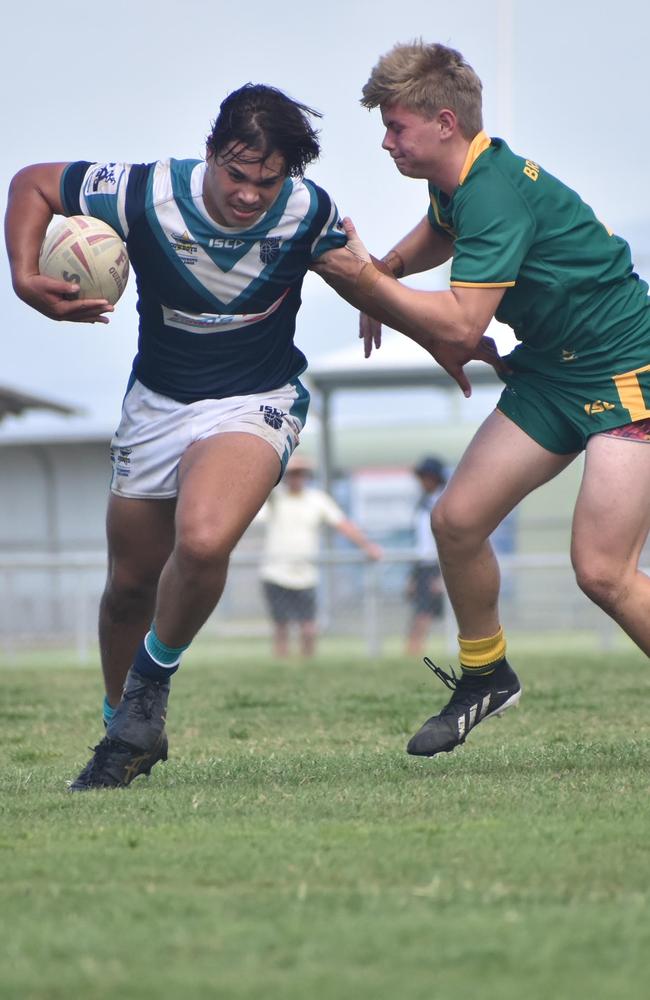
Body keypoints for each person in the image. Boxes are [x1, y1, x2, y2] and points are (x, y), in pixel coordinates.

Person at [4, 83, 373, 789]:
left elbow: (354, 261)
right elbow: (32, 185)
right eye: (237, 174)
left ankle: (147, 699)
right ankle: (126, 731)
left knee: (203, 540)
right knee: (128, 587)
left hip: (255, 400)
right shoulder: (144, 194)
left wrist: (385, 293)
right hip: (157, 405)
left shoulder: (305, 209)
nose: (249, 194)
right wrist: (25, 278)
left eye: (267, 181)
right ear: (211, 153)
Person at [313, 41, 650, 759]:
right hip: (555, 375)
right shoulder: (462, 179)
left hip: (626, 374)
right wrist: (390, 268)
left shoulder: (493, 192)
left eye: (396, 126)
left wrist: (366, 283)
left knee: (602, 571)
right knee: (458, 522)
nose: (385, 140)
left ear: (442, 121)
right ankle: (486, 676)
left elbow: (465, 325)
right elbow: (442, 226)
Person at [257, 452, 382, 658]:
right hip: (275, 572)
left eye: (301, 473)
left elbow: (342, 524)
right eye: (292, 474)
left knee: (308, 626)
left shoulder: (317, 500)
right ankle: (281, 666)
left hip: (305, 574)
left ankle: (308, 664)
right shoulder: (274, 500)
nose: (296, 478)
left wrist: (367, 545)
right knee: (281, 626)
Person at [405, 456, 447, 656]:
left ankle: (415, 650)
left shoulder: (443, 502)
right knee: (421, 611)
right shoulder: (423, 504)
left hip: (436, 565)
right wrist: (412, 576)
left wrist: (441, 574)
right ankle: (414, 650)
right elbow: (420, 542)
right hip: (422, 564)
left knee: (425, 612)